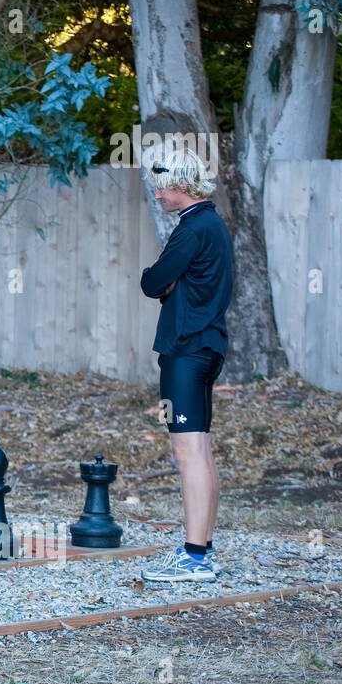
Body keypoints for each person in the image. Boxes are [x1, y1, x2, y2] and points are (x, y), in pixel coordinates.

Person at [137, 148, 233, 582]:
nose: (157, 195)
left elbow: (153, 281)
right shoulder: (210, 225)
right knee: (202, 451)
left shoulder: (193, 229)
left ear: (182, 185)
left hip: (186, 351)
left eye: (161, 187)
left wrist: (159, 280)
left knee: (187, 452)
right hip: (204, 348)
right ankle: (203, 550)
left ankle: (194, 558)